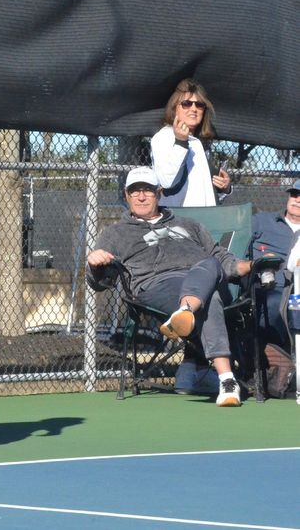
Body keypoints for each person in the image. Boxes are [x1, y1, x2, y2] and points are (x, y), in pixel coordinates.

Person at [87, 166, 252, 406]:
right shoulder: (115, 233)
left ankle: (186, 313)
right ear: (126, 196)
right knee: (209, 296)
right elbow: (100, 283)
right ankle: (227, 379)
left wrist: (248, 266)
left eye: (148, 191)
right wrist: (95, 265)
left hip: (201, 275)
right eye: (135, 192)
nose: (141, 196)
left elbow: (220, 257)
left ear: (159, 193)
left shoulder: (190, 225)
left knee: (208, 267)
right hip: (156, 285)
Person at [151, 79, 232, 207]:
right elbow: (167, 181)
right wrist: (180, 143)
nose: (194, 109)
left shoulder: (198, 143)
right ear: (174, 108)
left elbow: (205, 193)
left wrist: (224, 187)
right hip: (179, 220)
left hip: (205, 219)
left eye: (199, 105)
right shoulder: (164, 137)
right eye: (186, 103)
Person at [248, 179, 300, 347]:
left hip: (296, 292)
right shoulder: (262, 221)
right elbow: (235, 247)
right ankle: (278, 363)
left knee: (294, 307)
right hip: (267, 288)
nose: (297, 199)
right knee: (276, 305)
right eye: (294, 194)